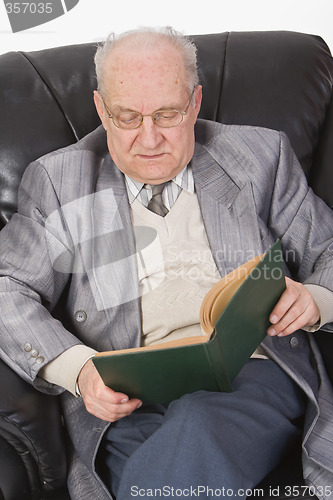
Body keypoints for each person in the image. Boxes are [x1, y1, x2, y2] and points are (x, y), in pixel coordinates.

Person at [0, 26, 333, 500]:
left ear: (195, 103)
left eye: (168, 114)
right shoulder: (60, 181)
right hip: (129, 395)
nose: (149, 137)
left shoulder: (260, 156)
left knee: (196, 426)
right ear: (101, 110)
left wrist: (316, 299)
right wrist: (80, 370)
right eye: (128, 117)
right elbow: (7, 287)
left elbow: (329, 247)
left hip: (252, 371)